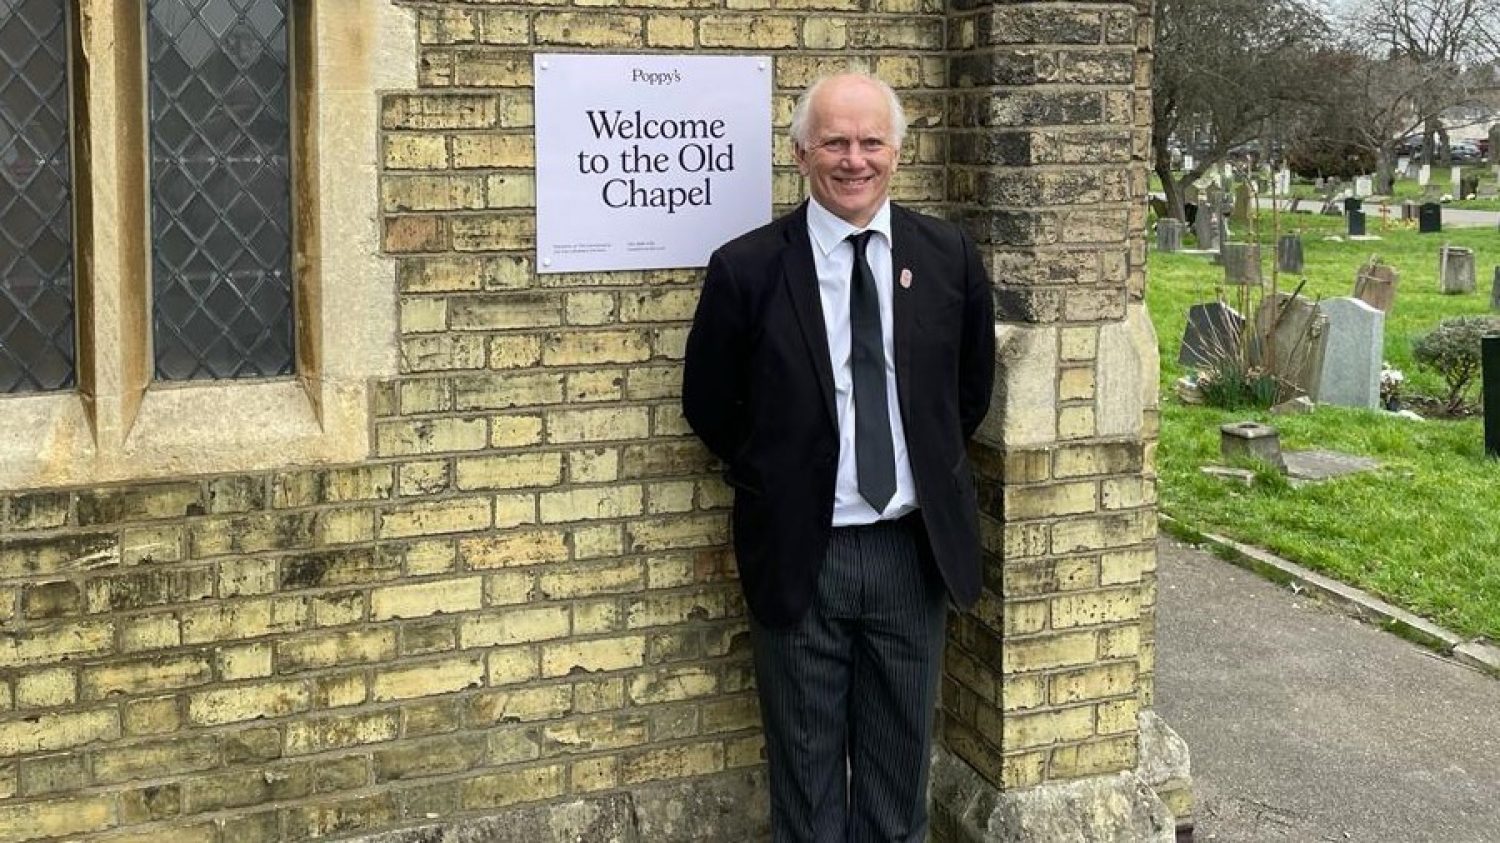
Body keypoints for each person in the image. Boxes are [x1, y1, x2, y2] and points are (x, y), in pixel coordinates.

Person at [682, 73, 996, 842]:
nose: (854, 159)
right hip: (802, 553)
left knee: (897, 789)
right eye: (834, 142)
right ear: (801, 154)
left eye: (870, 142)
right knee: (807, 789)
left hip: (909, 554)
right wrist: (780, 478)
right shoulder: (748, 269)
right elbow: (710, 404)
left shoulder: (947, 256)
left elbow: (967, 392)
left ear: (897, 152)